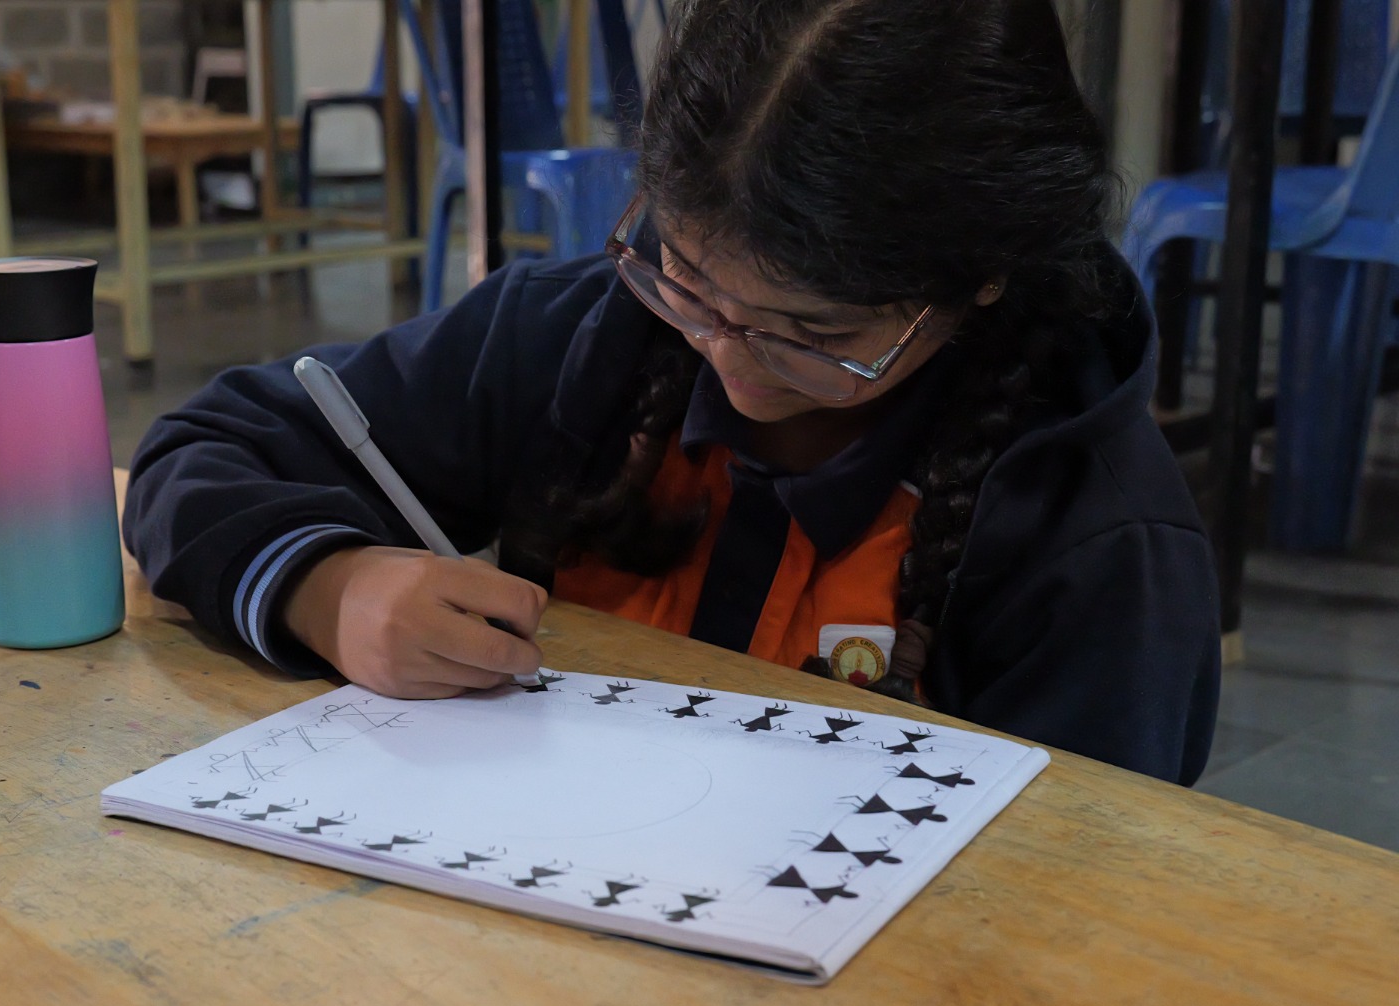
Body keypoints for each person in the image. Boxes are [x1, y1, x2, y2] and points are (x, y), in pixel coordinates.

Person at [123, 0, 1220, 785]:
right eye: (689, 277)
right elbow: (202, 448)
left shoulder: (1098, 543)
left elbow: (1082, 910)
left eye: (815, 335)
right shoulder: (579, 339)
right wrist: (328, 585)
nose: (730, 363)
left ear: (981, 279)